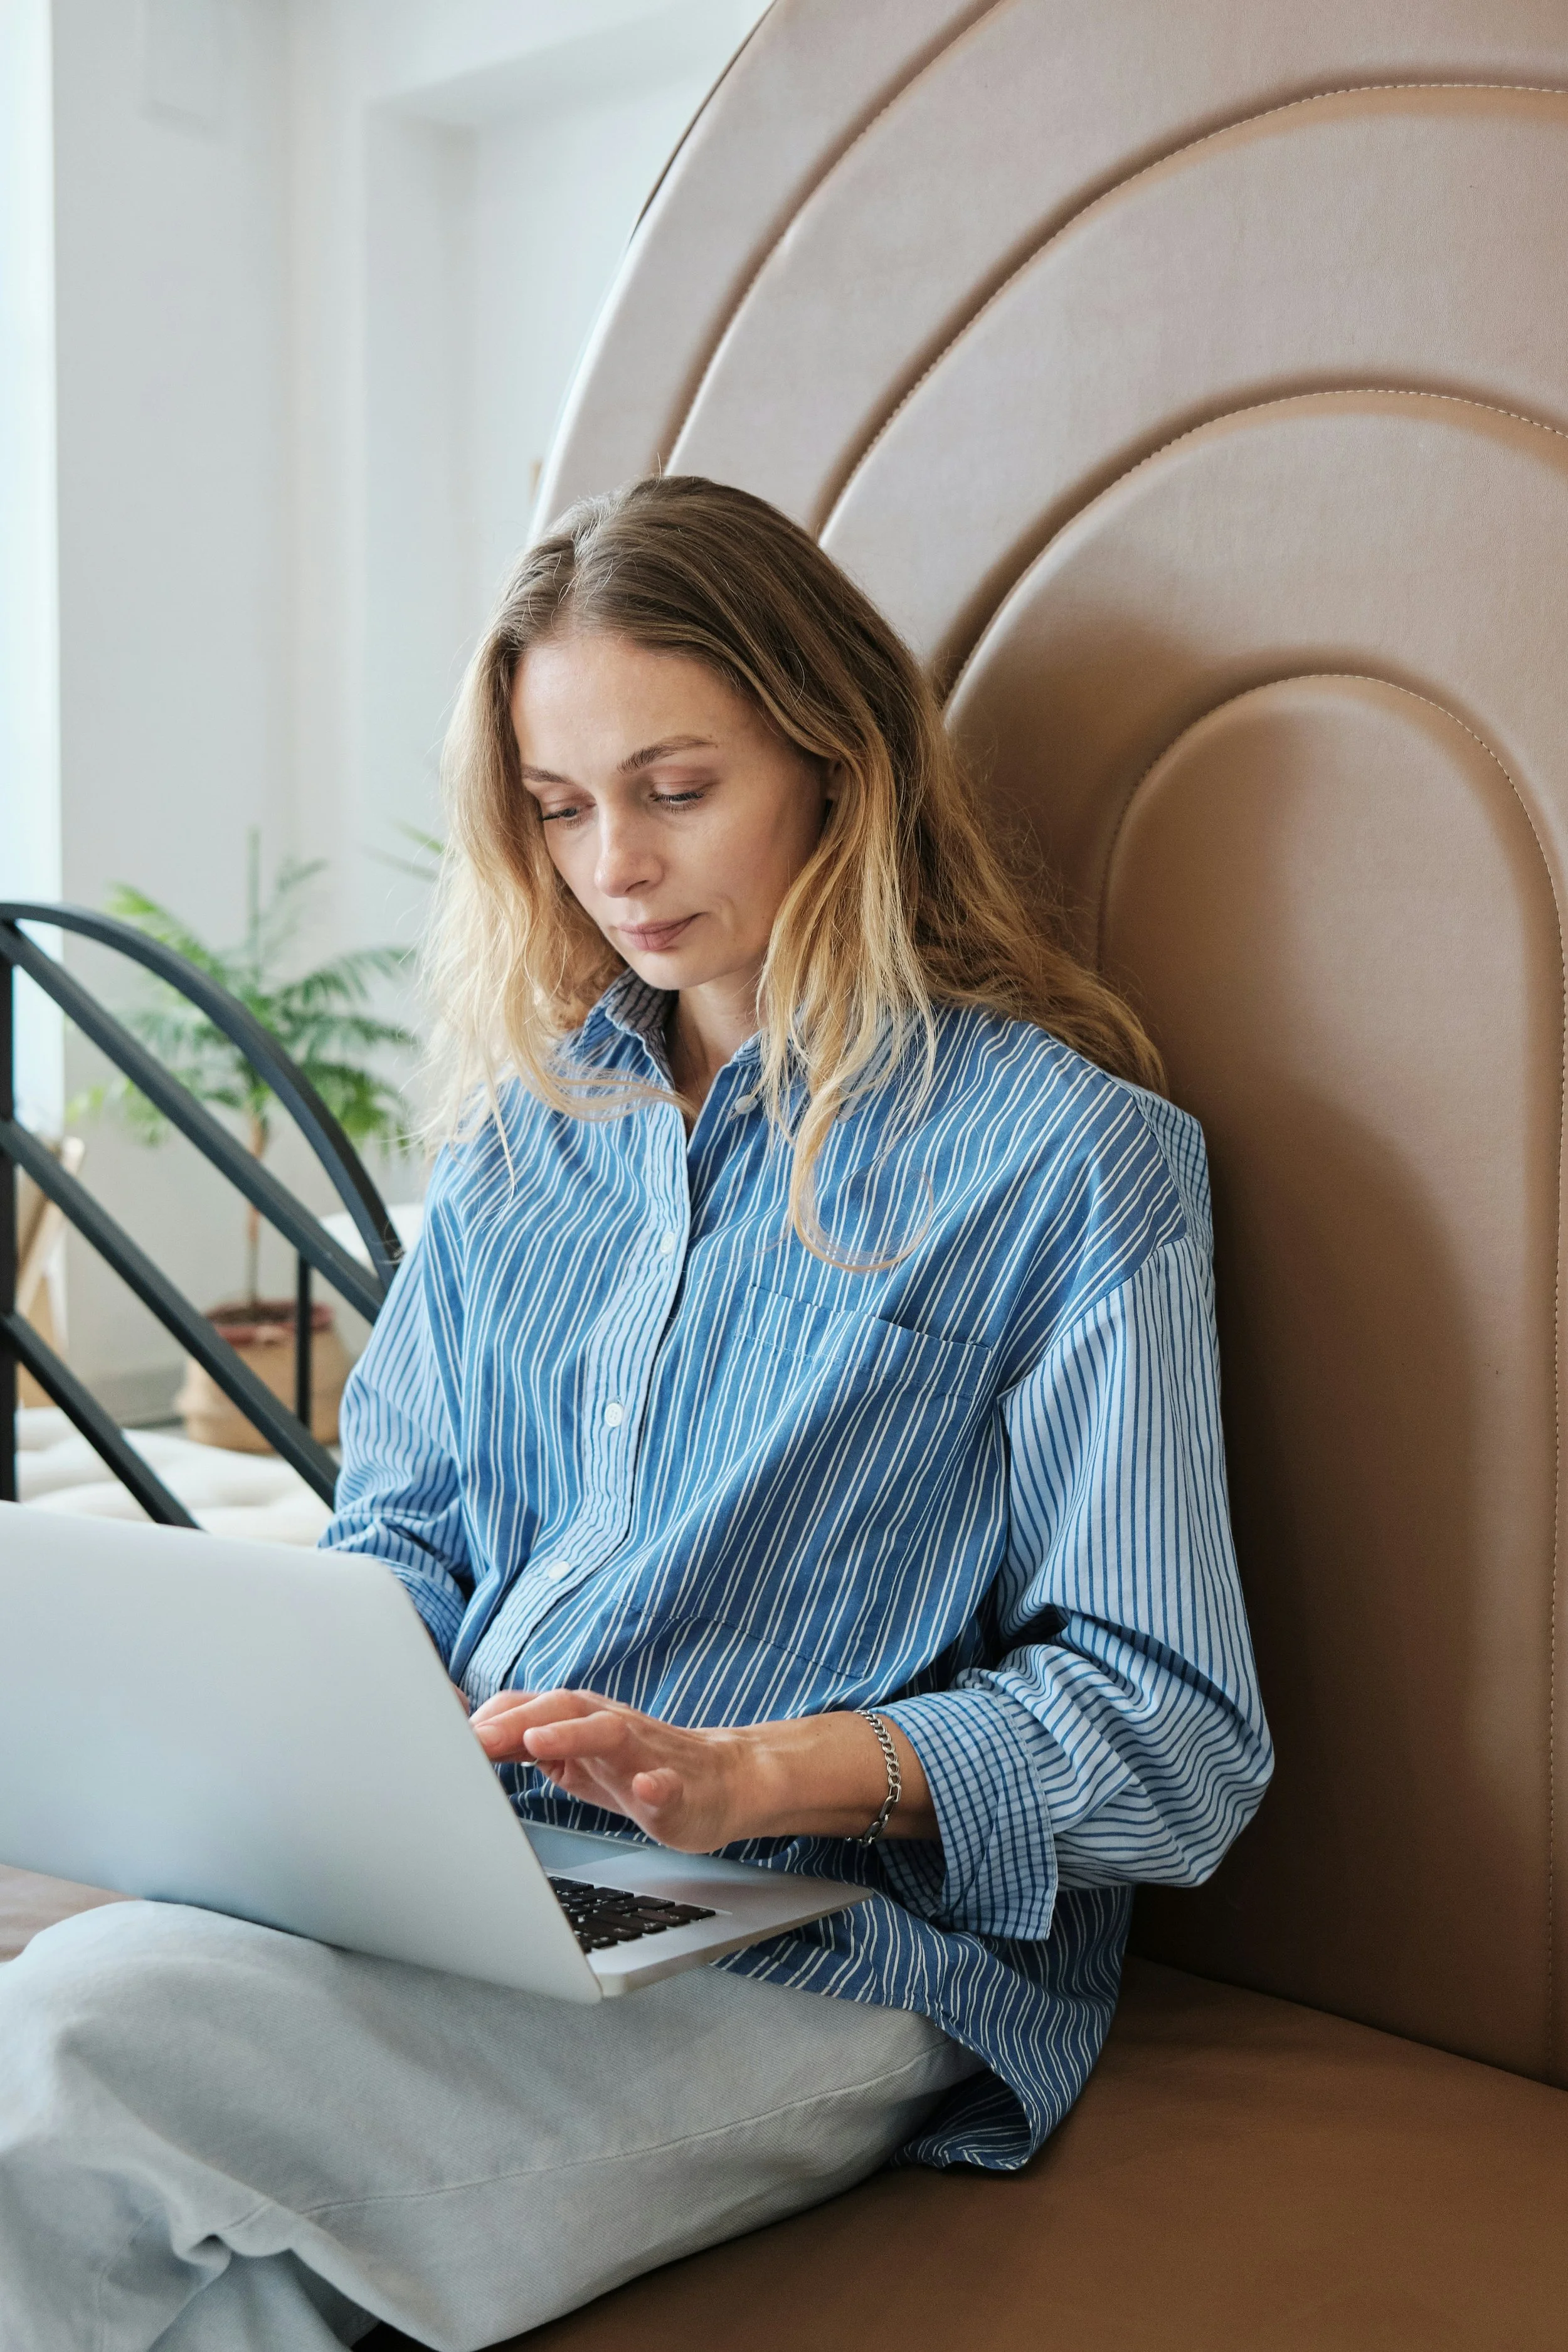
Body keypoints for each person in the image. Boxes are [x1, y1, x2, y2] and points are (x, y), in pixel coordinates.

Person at [0, 477, 1271, 2350]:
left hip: (820, 1952)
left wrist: (761, 1774)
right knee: (193, 2249)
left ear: (838, 765)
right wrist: (338, 1735)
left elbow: (1173, 1734)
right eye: (559, 805)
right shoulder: (526, 1138)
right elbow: (404, 1538)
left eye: (676, 789)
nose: (617, 864)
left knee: (72, 2050)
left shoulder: (1067, 1162)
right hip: (484, 1884)